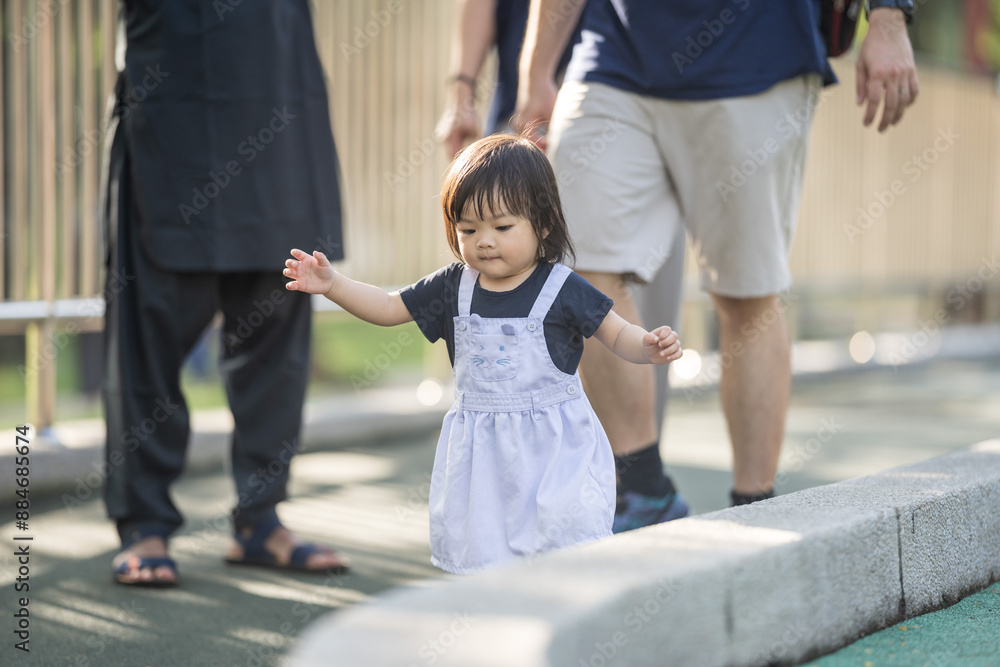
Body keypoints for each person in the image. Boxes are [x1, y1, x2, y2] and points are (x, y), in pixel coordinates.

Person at [516, 1, 919, 519]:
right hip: (614, 53)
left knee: (745, 292)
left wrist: (888, 16)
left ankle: (753, 507)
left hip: (757, 54)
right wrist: (536, 73)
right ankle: (642, 490)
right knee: (574, 269)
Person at [284, 134, 683, 573]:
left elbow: (615, 332)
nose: (484, 241)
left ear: (543, 223)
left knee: (564, 544)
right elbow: (388, 307)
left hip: (555, 451)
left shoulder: (561, 288)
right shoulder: (453, 286)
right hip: (483, 458)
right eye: (468, 230)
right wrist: (334, 285)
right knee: (488, 552)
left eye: (502, 227)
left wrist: (646, 346)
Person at [104, 0, 349, 586]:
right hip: (171, 96)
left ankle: (260, 518)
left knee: (277, 318)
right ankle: (144, 523)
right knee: (148, 332)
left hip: (276, 91)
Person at [437, 0, 692, 532]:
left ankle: (633, 483)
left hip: (645, 89)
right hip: (534, 113)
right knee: (540, 306)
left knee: (622, 303)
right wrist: (465, 89)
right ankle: (563, 487)